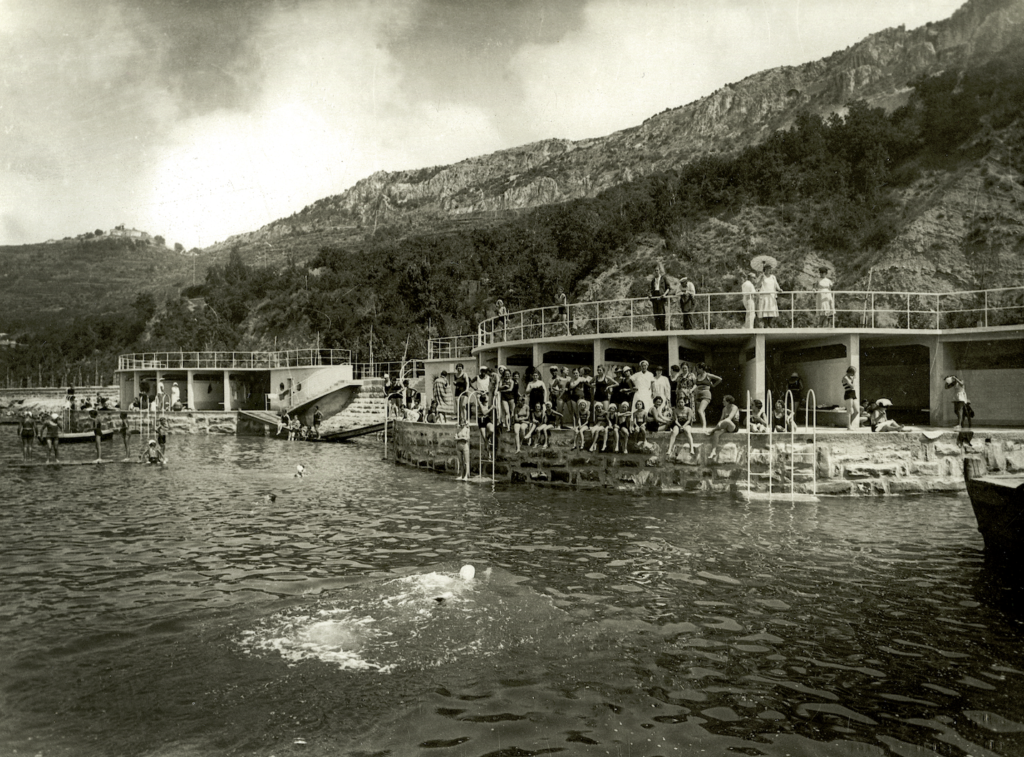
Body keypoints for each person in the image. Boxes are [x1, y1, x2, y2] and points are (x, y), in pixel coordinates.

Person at [707, 395, 740, 461]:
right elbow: (721, 419)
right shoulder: (724, 409)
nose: (722, 402)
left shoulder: (734, 407)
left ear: (728, 402)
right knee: (716, 433)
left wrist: (720, 424)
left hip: (733, 426)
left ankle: (713, 430)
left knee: (727, 421)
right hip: (725, 426)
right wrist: (719, 423)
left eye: (724, 401)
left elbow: (729, 418)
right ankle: (713, 451)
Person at [692, 363, 723, 431]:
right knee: (702, 412)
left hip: (706, 395)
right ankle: (703, 425)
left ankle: (704, 427)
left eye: (698, 368)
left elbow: (719, 379)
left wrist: (713, 385)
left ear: (702, 369)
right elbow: (696, 385)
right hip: (698, 395)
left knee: (700, 411)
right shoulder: (698, 376)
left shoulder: (708, 375)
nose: (697, 370)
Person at [649, 263, 668, 331]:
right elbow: (651, 290)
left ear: (659, 270)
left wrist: (664, 294)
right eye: (655, 270)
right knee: (656, 313)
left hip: (661, 296)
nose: (656, 272)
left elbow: (668, 288)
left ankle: (663, 328)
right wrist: (650, 295)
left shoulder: (663, 278)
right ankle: (658, 328)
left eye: (657, 270)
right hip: (655, 297)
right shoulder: (653, 281)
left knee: (661, 313)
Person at [455, 415, 472, 480]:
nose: (462, 424)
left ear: (465, 423)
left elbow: (467, 438)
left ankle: (466, 476)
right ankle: (461, 475)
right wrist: (462, 438)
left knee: (466, 462)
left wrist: (460, 438)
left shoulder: (467, 429)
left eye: (463, 423)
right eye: (461, 423)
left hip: (465, 446)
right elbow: (455, 438)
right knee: (461, 462)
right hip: (458, 447)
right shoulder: (458, 429)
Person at [842, 366, 858, 430]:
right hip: (848, 393)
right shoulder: (845, 378)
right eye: (853, 373)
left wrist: (852, 379)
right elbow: (852, 386)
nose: (853, 374)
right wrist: (853, 379)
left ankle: (849, 424)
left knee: (857, 411)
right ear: (850, 372)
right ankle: (848, 426)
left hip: (853, 393)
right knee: (849, 410)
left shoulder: (850, 377)